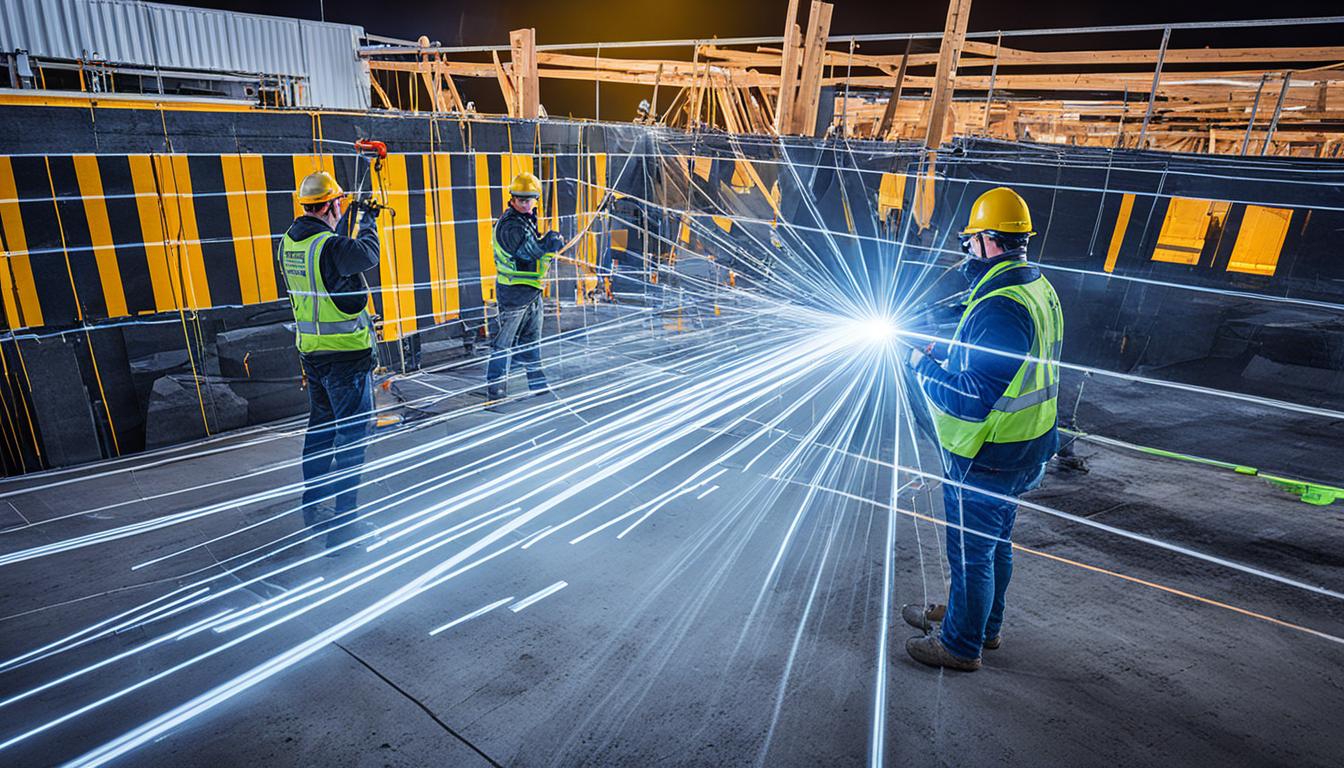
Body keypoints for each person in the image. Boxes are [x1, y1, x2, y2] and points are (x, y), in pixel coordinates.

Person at [902, 186, 1064, 671]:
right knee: (994, 546)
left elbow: (972, 400)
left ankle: (960, 644)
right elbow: (997, 362)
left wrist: (919, 363)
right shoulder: (1032, 285)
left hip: (990, 454)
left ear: (989, 240)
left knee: (972, 554)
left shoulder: (1002, 306)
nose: (968, 250)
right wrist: (942, 347)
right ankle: (979, 622)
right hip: (1024, 446)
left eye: (971, 241)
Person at [279, 170, 382, 552]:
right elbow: (367, 254)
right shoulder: (332, 246)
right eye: (338, 203)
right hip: (345, 359)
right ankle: (344, 527)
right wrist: (368, 221)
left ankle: (313, 506)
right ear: (329, 206)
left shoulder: (289, 242)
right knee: (352, 439)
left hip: (312, 354)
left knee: (320, 432)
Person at [485, 172, 564, 400]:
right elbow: (527, 253)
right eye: (521, 200)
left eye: (530, 200)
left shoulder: (526, 219)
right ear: (512, 199)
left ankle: (538, 385)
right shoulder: (510, 226)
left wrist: (548, 243)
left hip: (531, 291)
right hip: (514, 294)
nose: (526, 204)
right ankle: (496, 388)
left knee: (531, 343)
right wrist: (548, 243)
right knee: (503, 345)